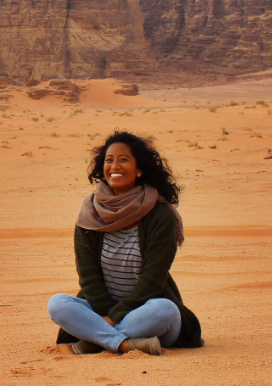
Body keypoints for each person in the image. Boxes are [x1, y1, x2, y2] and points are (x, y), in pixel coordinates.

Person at [47, 131, 204, 355]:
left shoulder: (160, 216)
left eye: (124, 159)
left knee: (166, 309)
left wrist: (112, 318)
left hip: (146, 315)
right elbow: (88, 276)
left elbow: (153, 280)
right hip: (102, 311)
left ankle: (95, 340)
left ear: (139, 169)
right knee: (57, 304)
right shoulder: (89, 213)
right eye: (109, 160)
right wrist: (105, 314)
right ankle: (122, 344)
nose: (114, 166)